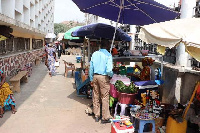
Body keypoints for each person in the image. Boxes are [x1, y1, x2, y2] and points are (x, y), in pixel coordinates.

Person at [89, 40, 113, 123]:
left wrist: (91, 78)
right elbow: (109, 70)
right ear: (107, 46)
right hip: (103, 77)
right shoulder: (108, 55)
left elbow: (91, 68)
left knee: (96, 95)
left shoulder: (95, 54)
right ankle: (105, 117)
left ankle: (96, 115)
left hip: (95, 76)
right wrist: (111, 75)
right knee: (105, 97)